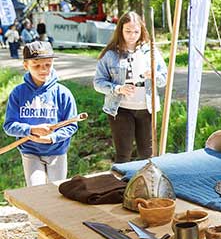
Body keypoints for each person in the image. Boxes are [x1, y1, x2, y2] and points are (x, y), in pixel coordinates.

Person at [94, 11, 167, 163]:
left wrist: (155, 76)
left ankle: (146, 184)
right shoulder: (110, 54)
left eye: (136, 31)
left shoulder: (151, 51)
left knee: (147, 154)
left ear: (142, 31)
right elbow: (98, 83)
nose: (132, 35)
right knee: (123, 153)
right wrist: (118, 88)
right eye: (128, 31)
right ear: (120, 30)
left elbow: (164, 79)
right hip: (120, 109)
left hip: (146, 109)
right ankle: (121, 186)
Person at [3, 41, 78, 187]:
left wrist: (52, 138)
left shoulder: (63, 93)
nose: (43, 70)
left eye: (47, 65)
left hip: (57, 152)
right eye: (36, 65)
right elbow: (9, 125)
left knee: (56, 193)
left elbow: (72, 125)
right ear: (26, 65)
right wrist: (30, 130)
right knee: (36, 191)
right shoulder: (18, 93)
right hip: (30, 152)